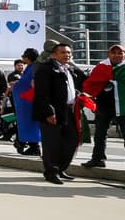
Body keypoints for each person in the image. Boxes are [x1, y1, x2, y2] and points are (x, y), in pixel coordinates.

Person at [81, 44, 125, 172]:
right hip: (104, 106)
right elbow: (92, 82)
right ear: (108, 54)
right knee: (100, 134)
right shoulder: (101, 67)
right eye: (113, 53)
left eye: (119, 53)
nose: (116, 55)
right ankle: (98, 159)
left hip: (123, 107)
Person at [32, 41, 88, 185]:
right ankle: (51, 171)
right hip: (52, 111)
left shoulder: (70, 69)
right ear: (54, 55)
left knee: (72, 139)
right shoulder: (46, 69)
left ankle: (61, 168)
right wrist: (49, 112)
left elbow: (83, 83)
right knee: (52, 143)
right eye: (63, 52)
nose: (67, 55)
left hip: (69, 110)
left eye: (69, 53)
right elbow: (41, 93)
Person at [12, 48, 43, 156]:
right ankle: (32, 146)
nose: (22, 58)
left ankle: (33, 146)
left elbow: (25, 84)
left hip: (28, 101)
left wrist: (15, 85)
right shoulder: (32, 67)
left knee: (30, 123)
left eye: (24, 56)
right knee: (30, 123)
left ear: (28, 58)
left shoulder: (33, 68)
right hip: (29, 101)